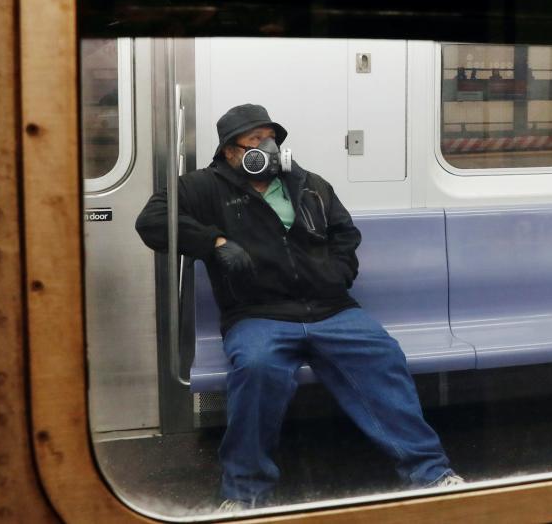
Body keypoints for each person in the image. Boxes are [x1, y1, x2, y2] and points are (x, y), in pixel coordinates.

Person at [136, 104, 462, 510]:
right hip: (258, 314)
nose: (265, 146)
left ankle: (429, 472)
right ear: (229, 151)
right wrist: (214, 243)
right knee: (255, 370)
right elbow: (151, 221)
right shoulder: (203, 188)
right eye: (253, 140)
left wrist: (337, 273)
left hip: (330, 308)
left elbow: (345, 234)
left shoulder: (309, 184)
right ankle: (245, 493)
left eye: (269, 137)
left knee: (383, 356)